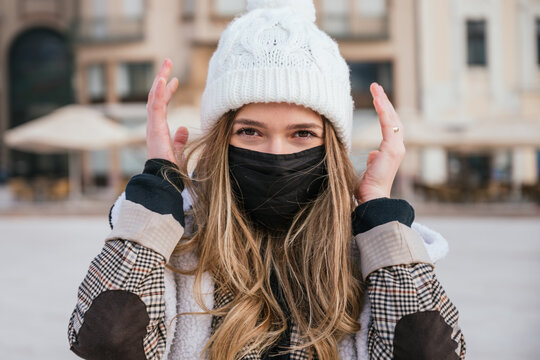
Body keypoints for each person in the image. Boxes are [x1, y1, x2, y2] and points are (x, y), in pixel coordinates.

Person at [68, 1, 466, 359]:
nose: (276, 154)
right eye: (250, 132)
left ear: (331, 147)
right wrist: (156, 192)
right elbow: (107, 340)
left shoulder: (367, 256)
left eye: (302, 133)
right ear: (222, 140)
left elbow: (428, 350)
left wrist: (380, 211)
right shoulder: (176, 248)